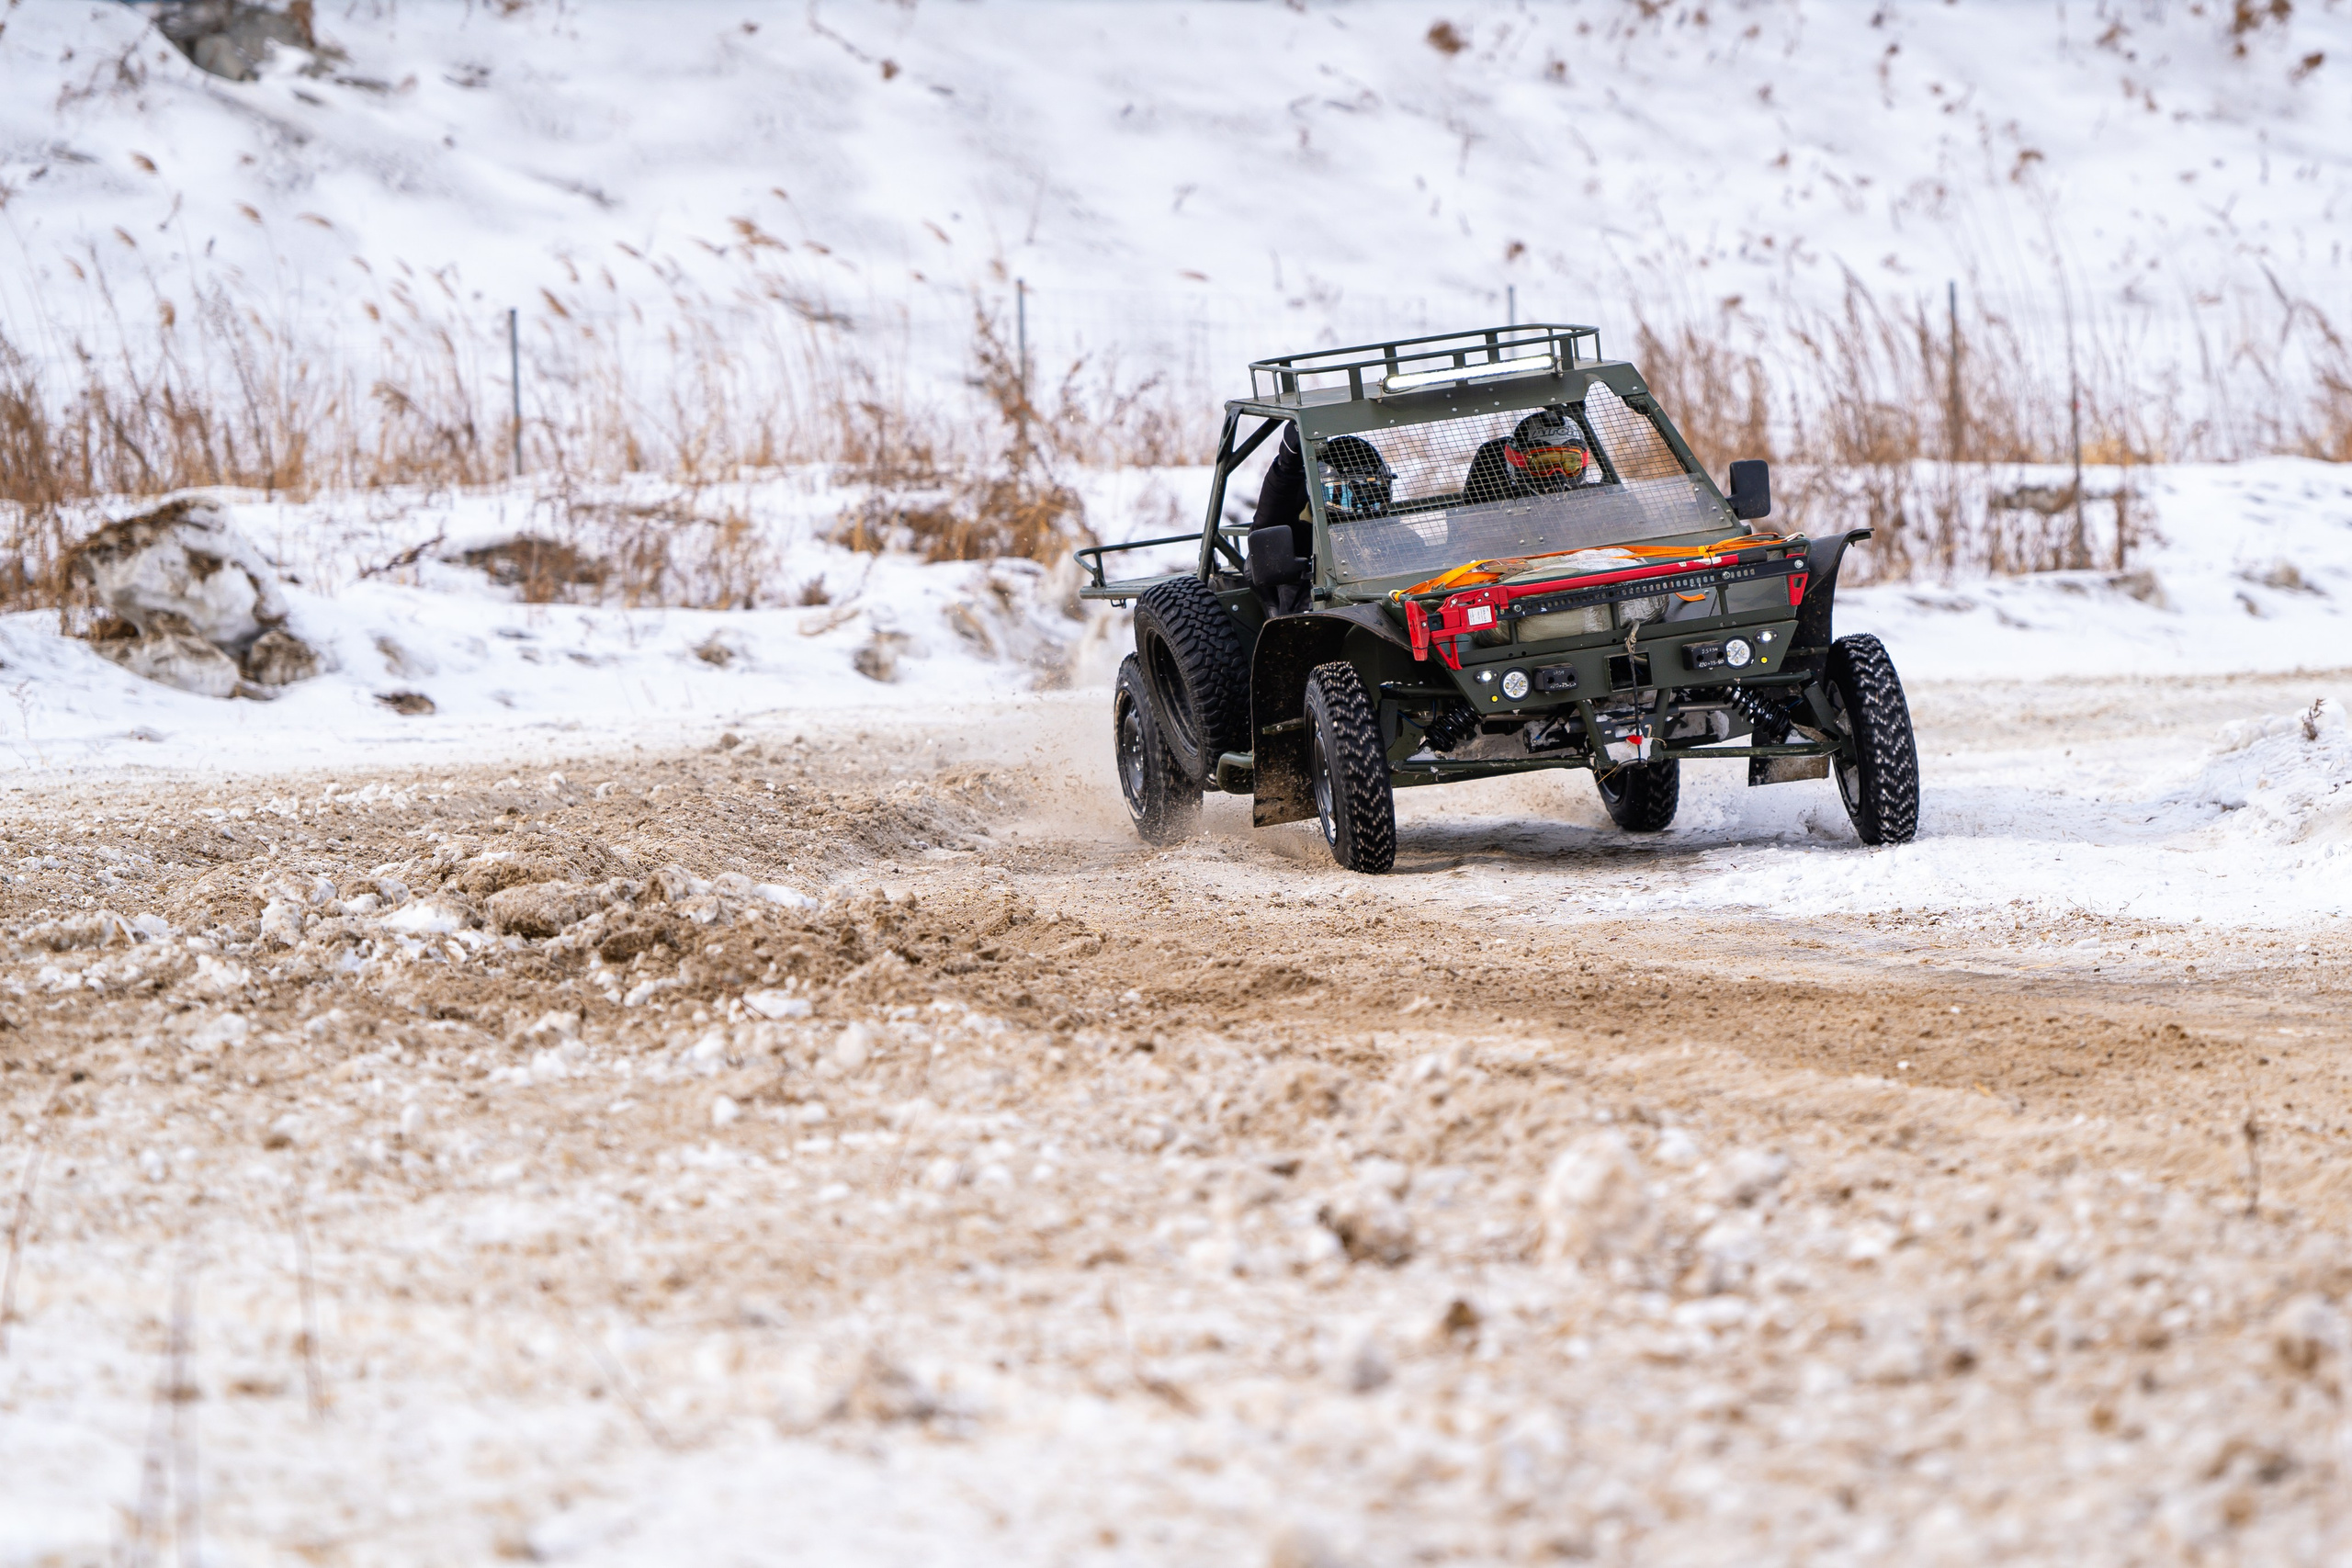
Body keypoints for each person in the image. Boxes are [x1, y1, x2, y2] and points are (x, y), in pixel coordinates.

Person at [1248, 427, 1394, 615]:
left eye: (1371, 492)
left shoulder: (1397, 536)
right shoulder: (1301, 537)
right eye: (1342, 494)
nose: (1360, 504)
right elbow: (1266, 526)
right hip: (1313, 624)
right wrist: (1286, 467)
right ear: (1316, 490)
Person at [1462, 405, 1595, 507]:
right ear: (1517, 463)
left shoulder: (1597, 503)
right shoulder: (1498, 508)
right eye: (1543, 463)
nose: (1557, 474)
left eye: (1570, 463)